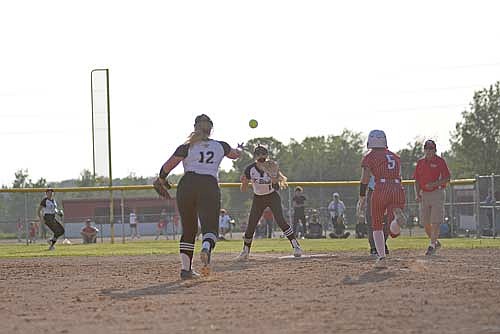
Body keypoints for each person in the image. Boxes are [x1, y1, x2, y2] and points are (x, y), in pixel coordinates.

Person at [156, 114, 241, 279]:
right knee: (210, 228)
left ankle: (186, 270)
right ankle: (206, 247)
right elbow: (235, 155)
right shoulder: (221, 146)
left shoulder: (186, 147)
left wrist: (161, 179)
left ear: (195, 127)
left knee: (189, 229)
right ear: (210, 129)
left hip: (187, 185)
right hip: (208, 186)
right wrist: (240, 149)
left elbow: (166, 167)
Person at [236, 145, 302, 260]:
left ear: (267, 156)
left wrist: (273, 177)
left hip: (272, 197)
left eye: (263, 154)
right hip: (258, 198)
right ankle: (245, 251)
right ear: (255, 157)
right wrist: (244, 182)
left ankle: (296, 246)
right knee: (251, 224)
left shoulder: (272, 166)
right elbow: (243, 189)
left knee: (281, 221)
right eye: (259, 155)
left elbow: (276, 187)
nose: (261, 157)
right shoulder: (250, 169)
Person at [357, 130, 406, 267]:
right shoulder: (395, 156)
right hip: (397, 188)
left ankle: (382, 258)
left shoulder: (370, 157)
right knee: (393, 230)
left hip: (381, 188)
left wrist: (362, 197)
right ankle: (396, 220)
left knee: (376, 224)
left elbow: (365, 179)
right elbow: (399, 176)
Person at [413, 139, 451, 256]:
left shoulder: (440, 161)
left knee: (435, 221)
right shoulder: (420, 162)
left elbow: (447, 178)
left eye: (431, 149)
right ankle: (435, 242)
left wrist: (434, 184)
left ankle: (432, 245)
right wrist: (417, 193)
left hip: (437, 193)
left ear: (435, 150)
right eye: (427, 148)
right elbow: (417, 180)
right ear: (424, 150)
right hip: (424, 194)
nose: (429, 151)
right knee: (425, 222)